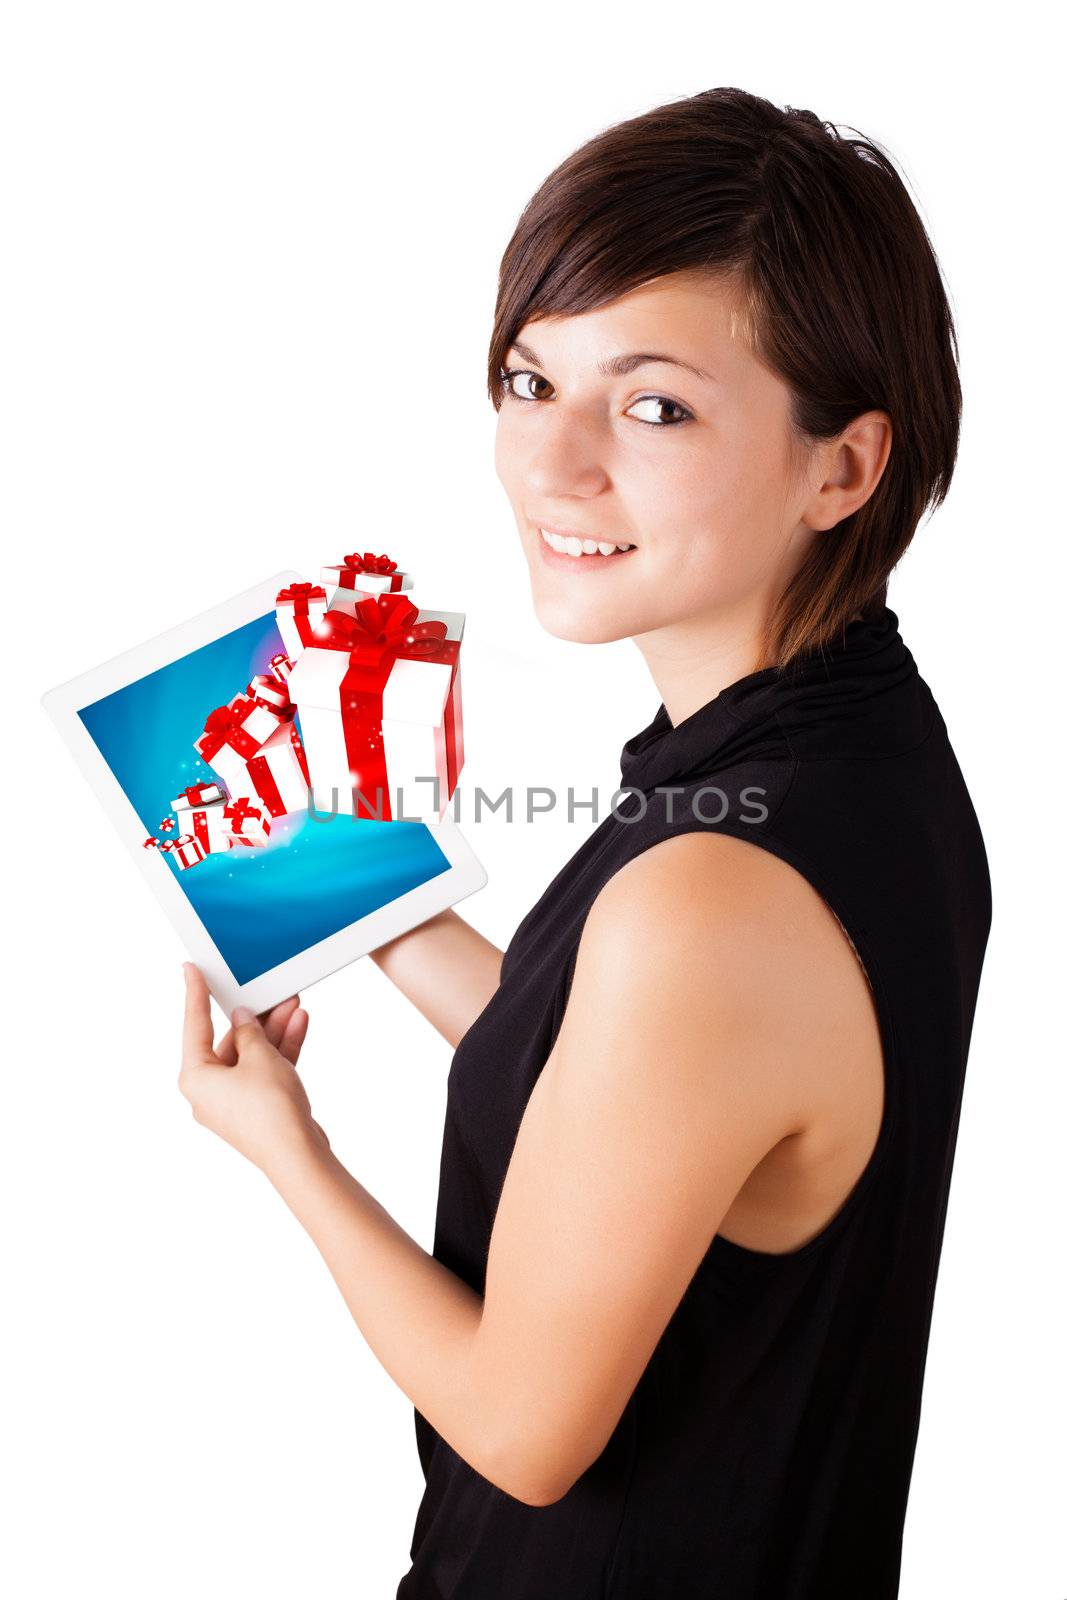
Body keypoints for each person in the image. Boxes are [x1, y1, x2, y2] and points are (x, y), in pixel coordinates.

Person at [178, 87, 993, 1598]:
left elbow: (521, 1427)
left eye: (655, 403)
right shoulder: (849, 751)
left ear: (846, 467)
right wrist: (379, 903)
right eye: (528, 379)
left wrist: (283, 1145)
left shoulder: (714, 893)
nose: (550, 466)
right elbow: (637, 1106)